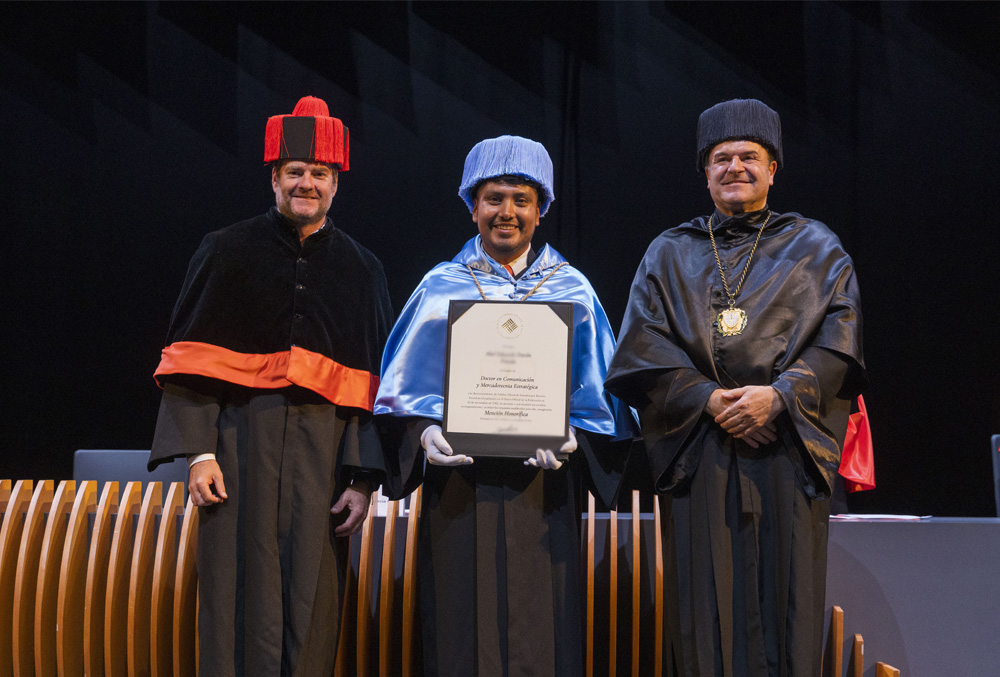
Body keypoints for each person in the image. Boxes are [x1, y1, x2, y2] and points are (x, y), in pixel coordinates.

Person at [605, 99, 866, 676]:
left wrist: (780, 396)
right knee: (702, 609)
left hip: (787, 449)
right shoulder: (669, 252)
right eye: (721, 158)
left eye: (749, 156)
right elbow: (642, 345)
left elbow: (840, 340)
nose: (735, 167)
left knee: (787, 602)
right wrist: (707, 398)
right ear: (706, 172)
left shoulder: (817, 248)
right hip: (700, 450)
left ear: (773, 168)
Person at [148, 96, 393, 676]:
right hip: (239, 446)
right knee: (235, 587)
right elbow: (188, 360)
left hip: (324, 454)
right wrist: (199, 454)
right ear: (274, 177)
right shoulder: (225, 250)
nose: (307, 183)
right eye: (296, 171)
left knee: (314, 593)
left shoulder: (363, 269)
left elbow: (376, 385)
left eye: (320, 173)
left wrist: (362, 479)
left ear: (336, 183)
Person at [375, 135, 634, 676]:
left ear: (541, 210)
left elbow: (604, 402)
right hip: (458, 490)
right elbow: (399, 395)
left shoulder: (573, 291)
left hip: (544, 493)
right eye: (494, 198)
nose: (507, 212)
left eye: (522, 199)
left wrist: (574, 436)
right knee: (457, 636)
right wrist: (424, 435)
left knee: (544, 632)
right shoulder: (439, 287)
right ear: (473, 207)